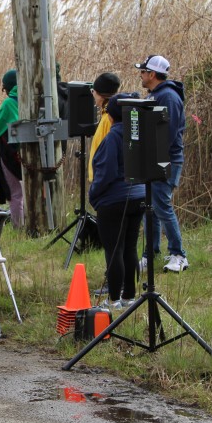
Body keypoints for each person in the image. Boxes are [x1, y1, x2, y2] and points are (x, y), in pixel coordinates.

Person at [89, 93, 146, 310]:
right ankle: (129, 296)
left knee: (113, 250)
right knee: (130, 248)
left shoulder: (112, 137)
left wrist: (94, 195)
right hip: (139, 197)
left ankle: (114, 299)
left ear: (111, 116)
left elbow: (106, 172)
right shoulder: (139, 134)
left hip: (114, 200)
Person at [136, 54, 188, 273]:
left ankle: (179, 255)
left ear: (152, 74)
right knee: (150, 207)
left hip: (166, 160)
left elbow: (168, 132)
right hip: (153, 158)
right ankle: (151, 253)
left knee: (162, 206)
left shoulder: (168, 97)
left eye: (143, 71)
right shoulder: (155, 95)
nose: (140, 75)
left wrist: (152, 153)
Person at [0, 69, 23, 227]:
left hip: (11, 154)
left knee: (15, 193)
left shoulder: (9, 103)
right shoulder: (34, 98)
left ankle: (19, 227)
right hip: (35, 154)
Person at [88, 72, 120, 183]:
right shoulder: (107, 115)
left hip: (102, 181)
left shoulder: (108, 119)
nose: (92, 95)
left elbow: (108, 155)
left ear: (99, 94)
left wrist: (98, 183)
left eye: (93, 91)